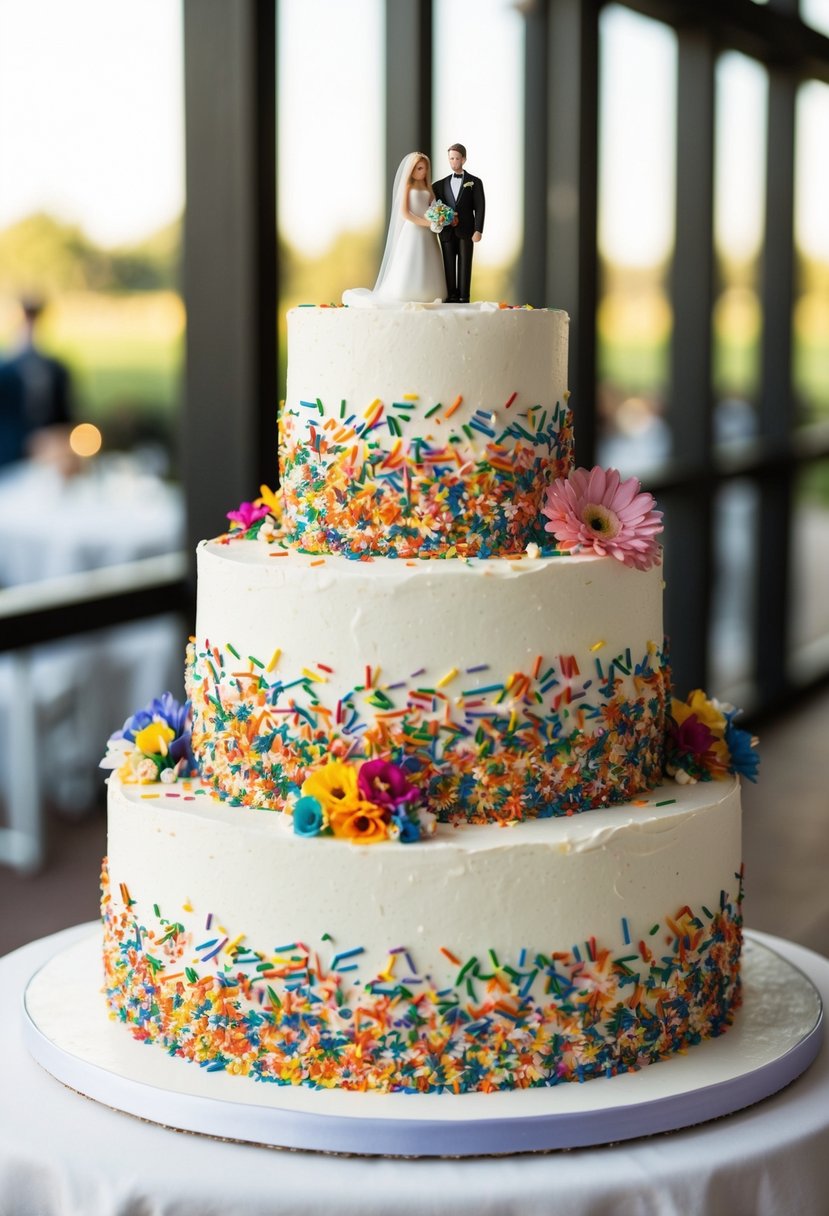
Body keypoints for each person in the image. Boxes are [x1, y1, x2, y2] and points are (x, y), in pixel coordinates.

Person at [343, 152, 445, 306]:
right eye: (419, 168)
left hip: (428, 231)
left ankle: (429, 290)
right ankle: (407, 290)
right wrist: (425, 223)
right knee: (411, 259)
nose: (422, 171)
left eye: (424, 168)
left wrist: (440, 216)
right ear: (411, 170)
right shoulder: (408, 187)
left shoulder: (428, 188)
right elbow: (405, 213)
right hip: (413, 230)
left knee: (429, 258)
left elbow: (435, 206)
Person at [0, 297, 73, 469]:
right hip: (10, 458)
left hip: (51, 456)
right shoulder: (5, 372)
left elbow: (65, 417)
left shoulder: (57, 370)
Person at [432, 143, 485, 303]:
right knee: (448, 262)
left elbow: (480, 207)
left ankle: (464, 296)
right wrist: (440, 219)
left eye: (456, 158)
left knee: (465, 262)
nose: (453, 161)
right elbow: (434, 205)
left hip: (467, 230)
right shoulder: (439, 185)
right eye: (451, 158)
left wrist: (478, 230)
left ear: (464, 159)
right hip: (447, 231)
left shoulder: (474, 182)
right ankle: (451, 295)